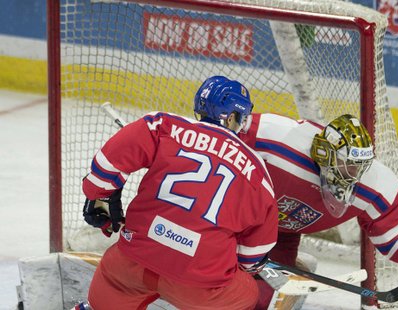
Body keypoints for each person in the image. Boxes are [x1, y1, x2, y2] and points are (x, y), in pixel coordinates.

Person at [238, 113, 398, 309]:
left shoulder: (373, 185)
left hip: (278, 238)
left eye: (359, 166)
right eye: (347, 164)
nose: (354, 174)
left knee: (254, 302)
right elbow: (220, 148)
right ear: (324, 154)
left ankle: (290, 266)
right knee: (214, 283)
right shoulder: (275, 143)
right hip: (247, 225)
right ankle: (282, 268)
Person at [77, 76, 278, 309]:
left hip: (132, 263)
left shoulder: (162, 125)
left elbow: (100, 178)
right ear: (232, 117)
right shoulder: (258, 173)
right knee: (248, 292)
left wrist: (103, 196)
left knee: (109, 291)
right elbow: (251, 257)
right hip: (200, 288)